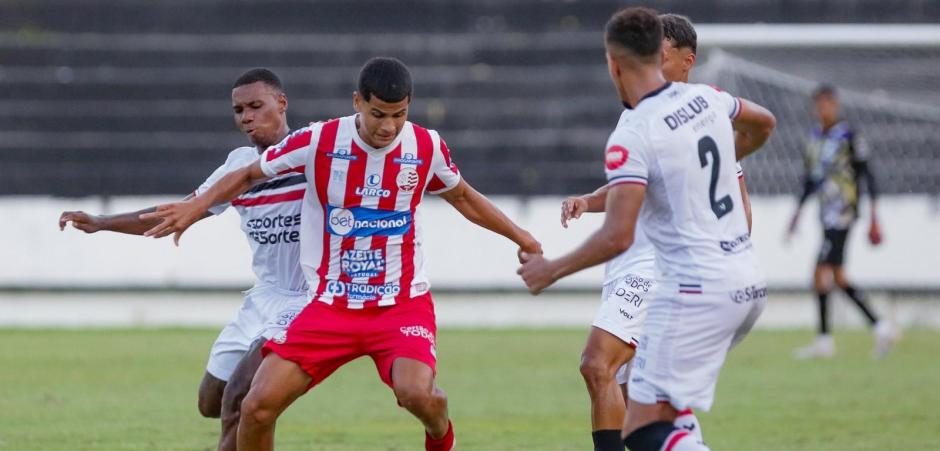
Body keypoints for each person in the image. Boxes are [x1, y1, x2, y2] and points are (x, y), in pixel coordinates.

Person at [140, 57, 541, 451]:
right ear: (357, 103)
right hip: (331, 306)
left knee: (419, 395)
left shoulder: (425, 145)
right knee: (257, 407)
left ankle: (440, 436)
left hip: (399, 304)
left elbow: (463, 196)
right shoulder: (320, 141)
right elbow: (248, 172)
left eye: (399, 115)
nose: (388, 126)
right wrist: (196, 207)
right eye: (378, 114)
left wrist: (521, 236)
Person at [518, 7, 776, 450]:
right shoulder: (710, 101)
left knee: (628, 410)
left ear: (613, 63)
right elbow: (764, 122)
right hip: (742, 279)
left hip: (689, 286)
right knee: (647, 405)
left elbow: (619, 235)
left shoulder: (637, 128)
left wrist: (551, 269)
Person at [58, 68, 308, 451]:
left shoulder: (314, 154)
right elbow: (179, 211)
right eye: (239, 110)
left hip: (307, 297)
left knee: (239, 399)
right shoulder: (238, 165)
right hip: (265, 295)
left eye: (256, 106)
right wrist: (102, 223)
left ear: (282, 103)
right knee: (211, 400)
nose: (246, 117)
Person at [787, 84, 897, 359]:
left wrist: (874, 216)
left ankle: (825, 340)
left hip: (844, 214)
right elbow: (810, 180)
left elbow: (867, 174)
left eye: (827, 103)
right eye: (818, 104)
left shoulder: (849, 135)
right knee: (837, 276)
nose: (822, 109)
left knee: (819, 272)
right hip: (825, 215)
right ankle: (881, 327)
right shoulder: (814, 138)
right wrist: (796, 214)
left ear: (835, 105)